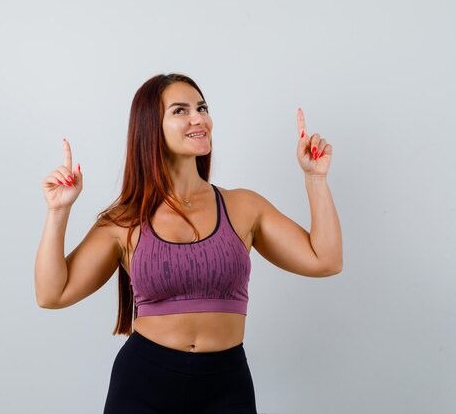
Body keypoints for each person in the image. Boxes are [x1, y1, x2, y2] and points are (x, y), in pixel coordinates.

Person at [34, 73, 343, 414]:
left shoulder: (243, 206)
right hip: (143, 384)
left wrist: (315, 179)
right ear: (152, 127)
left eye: (202, 107)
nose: (199, 118)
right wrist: (58, 211)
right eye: (180, 111)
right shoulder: (124, 220)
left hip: (226, 386)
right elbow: (52, 294)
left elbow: (325, 260)